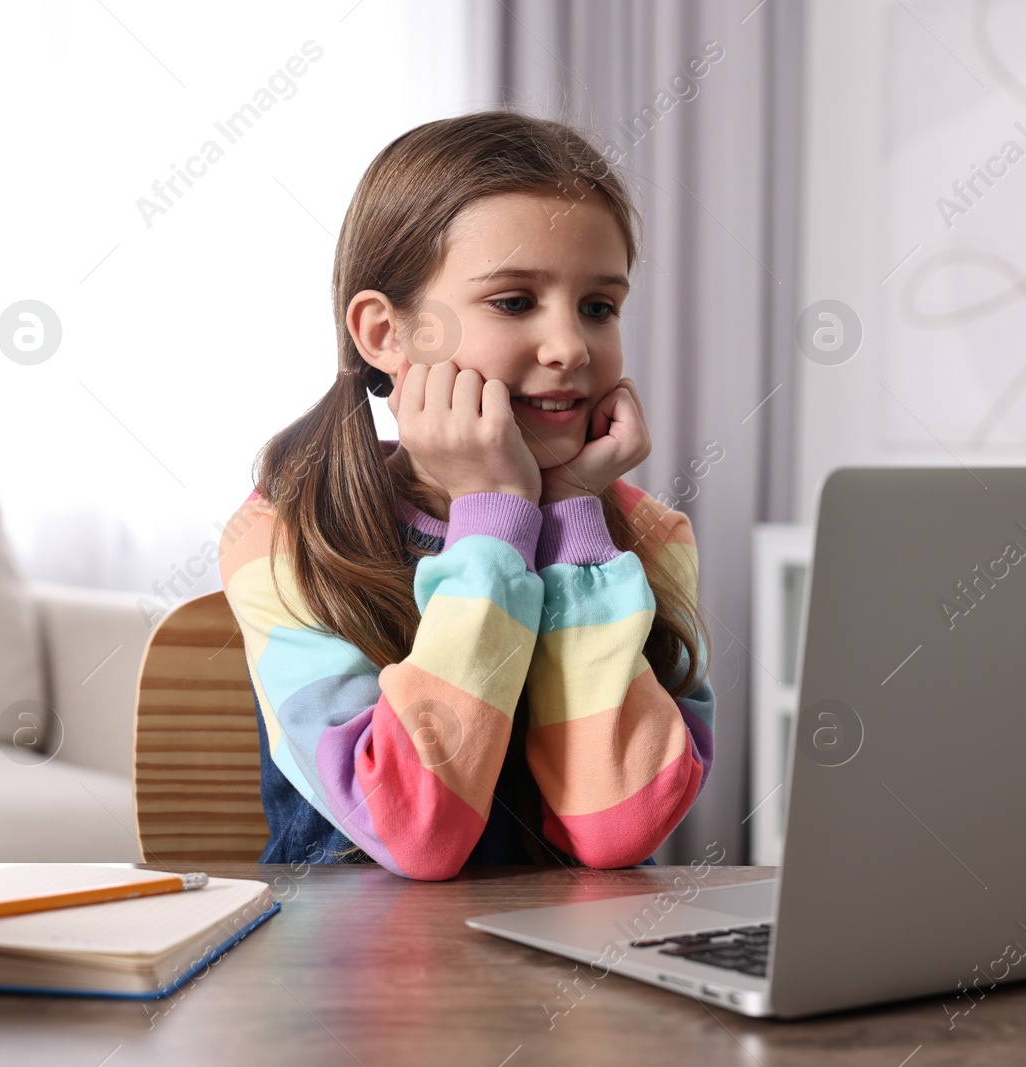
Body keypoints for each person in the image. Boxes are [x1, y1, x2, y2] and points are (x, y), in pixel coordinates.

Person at [216, 108, 716, 880]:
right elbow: (415, 830)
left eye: (599, 306)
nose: (571, 347)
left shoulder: (645, 537)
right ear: (386, 334)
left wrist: (572, 516)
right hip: (349, 984)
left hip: (574, 983)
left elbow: (619, 823)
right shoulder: (286, 538)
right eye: (515, 301)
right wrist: (492, 518)